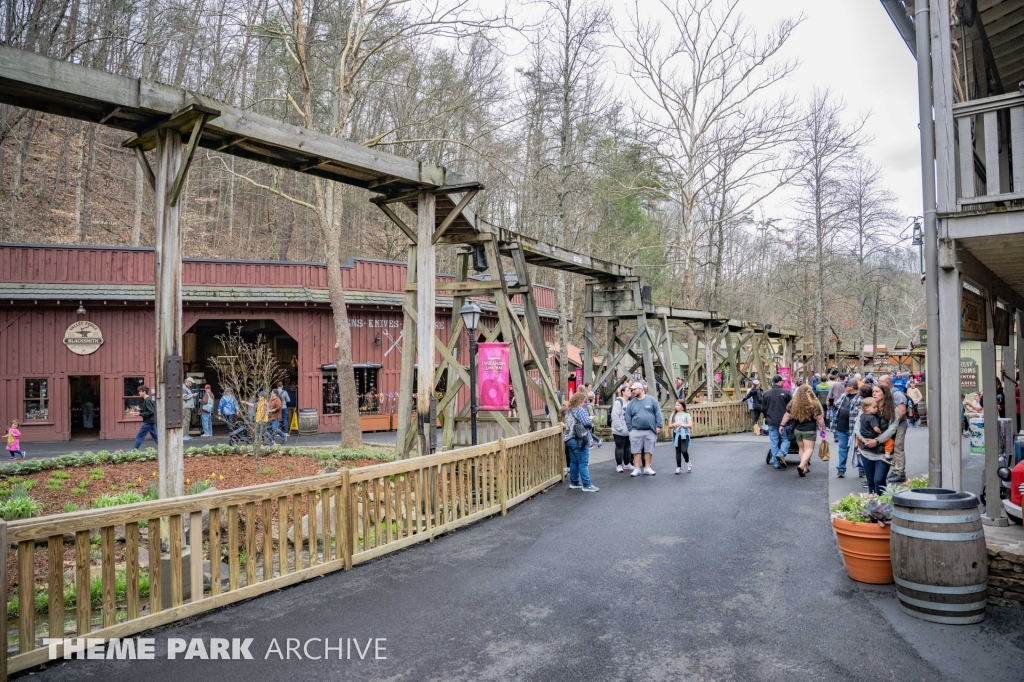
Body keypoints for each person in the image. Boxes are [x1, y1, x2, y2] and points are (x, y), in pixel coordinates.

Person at [780, 384, 825, 477]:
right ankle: (801, 465)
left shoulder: (793, 403)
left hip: (797, 429)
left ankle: (805, 468)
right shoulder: (814, 404)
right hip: (809, 430)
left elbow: (787, 415)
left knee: (801, 449)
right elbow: (819, 418)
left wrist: (782, 425)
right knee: (809, 449)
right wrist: (823, 428)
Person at [563, 391, 598, 492]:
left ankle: (574, 482)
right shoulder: (579, 410)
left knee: (574, 461)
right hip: (579, 439)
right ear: (580, 401)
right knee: (583, 462)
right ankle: (587, 485)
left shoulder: (568, 411)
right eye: (583, 401)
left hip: (568, 439)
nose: (584, 403)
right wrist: (590, 419)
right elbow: (586, 422)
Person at [625, 381, 662, 477]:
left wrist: (659, 426)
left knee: (649, 450)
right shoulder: (631, 403)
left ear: (641, 389)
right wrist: (630, 429)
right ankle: (637, 468)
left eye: (634, 389)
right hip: (636, 430)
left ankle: (647, 467)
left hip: (650, 430)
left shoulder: (652, 400)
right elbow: (627, 416)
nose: (633, 391)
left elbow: (658, 413)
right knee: (636, 450)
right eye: (632, 390)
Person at [878, 374, 909, 485]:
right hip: (892, 425)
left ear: (887, 383)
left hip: (899, 425)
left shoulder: (897, 394)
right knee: (892, 447)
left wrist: (894, 425)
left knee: (898, 448)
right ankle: (896, 470)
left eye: (880, 382)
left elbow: (902, 411)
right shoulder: (888, 394)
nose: (878, 385)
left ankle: (900, 473)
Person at [857, 397, 890, 495]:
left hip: (876, 450)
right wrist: (878, 433)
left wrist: (864, 441)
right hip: (867, 448)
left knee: (877, 480)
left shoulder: (863, 415)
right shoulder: (871, 417)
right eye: (874, 407)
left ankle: (877, 498)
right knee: (871, 479)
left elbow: (892, 429)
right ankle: (874, 499)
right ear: (866, 408)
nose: (876, 409)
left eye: (877, 407)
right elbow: (858, 429)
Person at [829, 378, 859, 478]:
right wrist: (832, 404)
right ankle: (841, 469)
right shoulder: (844, 395)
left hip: (854, 428)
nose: (844, 387)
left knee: (858, 449)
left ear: (852, 387)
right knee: (842, 449)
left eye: (846, 386)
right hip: (842, 426)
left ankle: (862, 469)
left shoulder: (860, 397)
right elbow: (836, 406)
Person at [762, 374, 793, 469]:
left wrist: (766, 417)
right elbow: (791, 407)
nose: (783, 382)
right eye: (782, 380)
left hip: (771, 420)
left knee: (774, 442)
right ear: (779, 382)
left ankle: (776, 462)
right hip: (784, 421)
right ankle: (781, 453)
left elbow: (763, 408)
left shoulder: (766, 393)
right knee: (786, 439)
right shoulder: (786, 392)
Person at [610, 384, 634, 473]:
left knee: (628, 447)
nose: (630, 392)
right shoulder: (618, 402)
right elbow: (615, 416)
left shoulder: (630, 402)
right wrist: (620, 428)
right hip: (619, 430)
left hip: (628, 429)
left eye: (630, 391)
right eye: (628, 390)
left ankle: (627, 463)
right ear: (623, 392)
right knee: (619, 447)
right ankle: (619, 465)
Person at [671, 400, 693, 474]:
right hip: (676, 434)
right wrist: (675, 424)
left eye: (678, 405)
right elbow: (670, 426)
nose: (676, 406)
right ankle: (678, 467)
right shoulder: (673, 415)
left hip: (684, 434)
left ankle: (688, 461)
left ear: (682, 406)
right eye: (676, 405)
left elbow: (690, 425)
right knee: (678, 451)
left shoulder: (686, 414)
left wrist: (682, 425)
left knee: (684, 450)